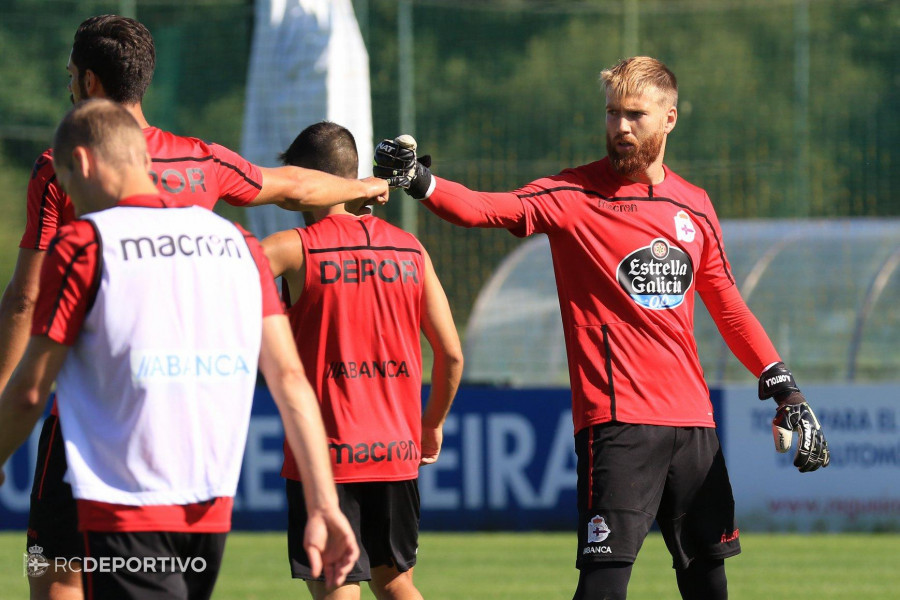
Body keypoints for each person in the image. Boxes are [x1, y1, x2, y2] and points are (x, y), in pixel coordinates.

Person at [373, 56, 830, 600]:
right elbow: (485, 210)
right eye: (612, 114)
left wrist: (784, 385)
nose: (620, 127)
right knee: (603, 590)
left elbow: (728, 305)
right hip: (618, 425)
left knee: (709, 587)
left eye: (635, 114)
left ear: (670, 119)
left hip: (694, 426)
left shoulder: (696, 207)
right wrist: (420, 181)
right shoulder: (573, 196)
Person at [0, 15, 386, 600]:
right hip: (197, 453)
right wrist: (360, 187)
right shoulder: (206, 174)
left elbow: (26, 301)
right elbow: (296, 187)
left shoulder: (64, 170)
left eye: (71, 80)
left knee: (55, 578)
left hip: (95, 431)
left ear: (86, 82)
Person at [261, 121, 463, 600]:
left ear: (305, 179)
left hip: (325, 456)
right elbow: (451, 355)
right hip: (396, 455)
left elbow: (218, 270)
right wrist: (430, 425)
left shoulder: (292, 250)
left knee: (337, 586)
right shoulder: (412, 249)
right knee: (395, 584)